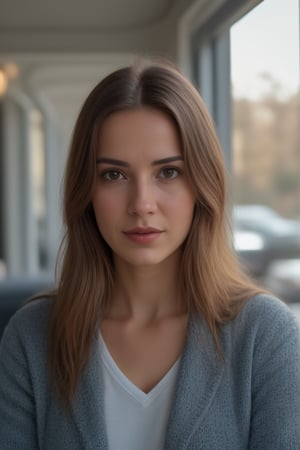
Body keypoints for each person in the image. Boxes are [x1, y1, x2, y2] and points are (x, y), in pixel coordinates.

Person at [0, 60, 300, 450]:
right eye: (114, 174)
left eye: (168, 172)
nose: (142, 204)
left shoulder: (265, 336)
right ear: (86, 192)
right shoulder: (32, 337)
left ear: (202, 184)